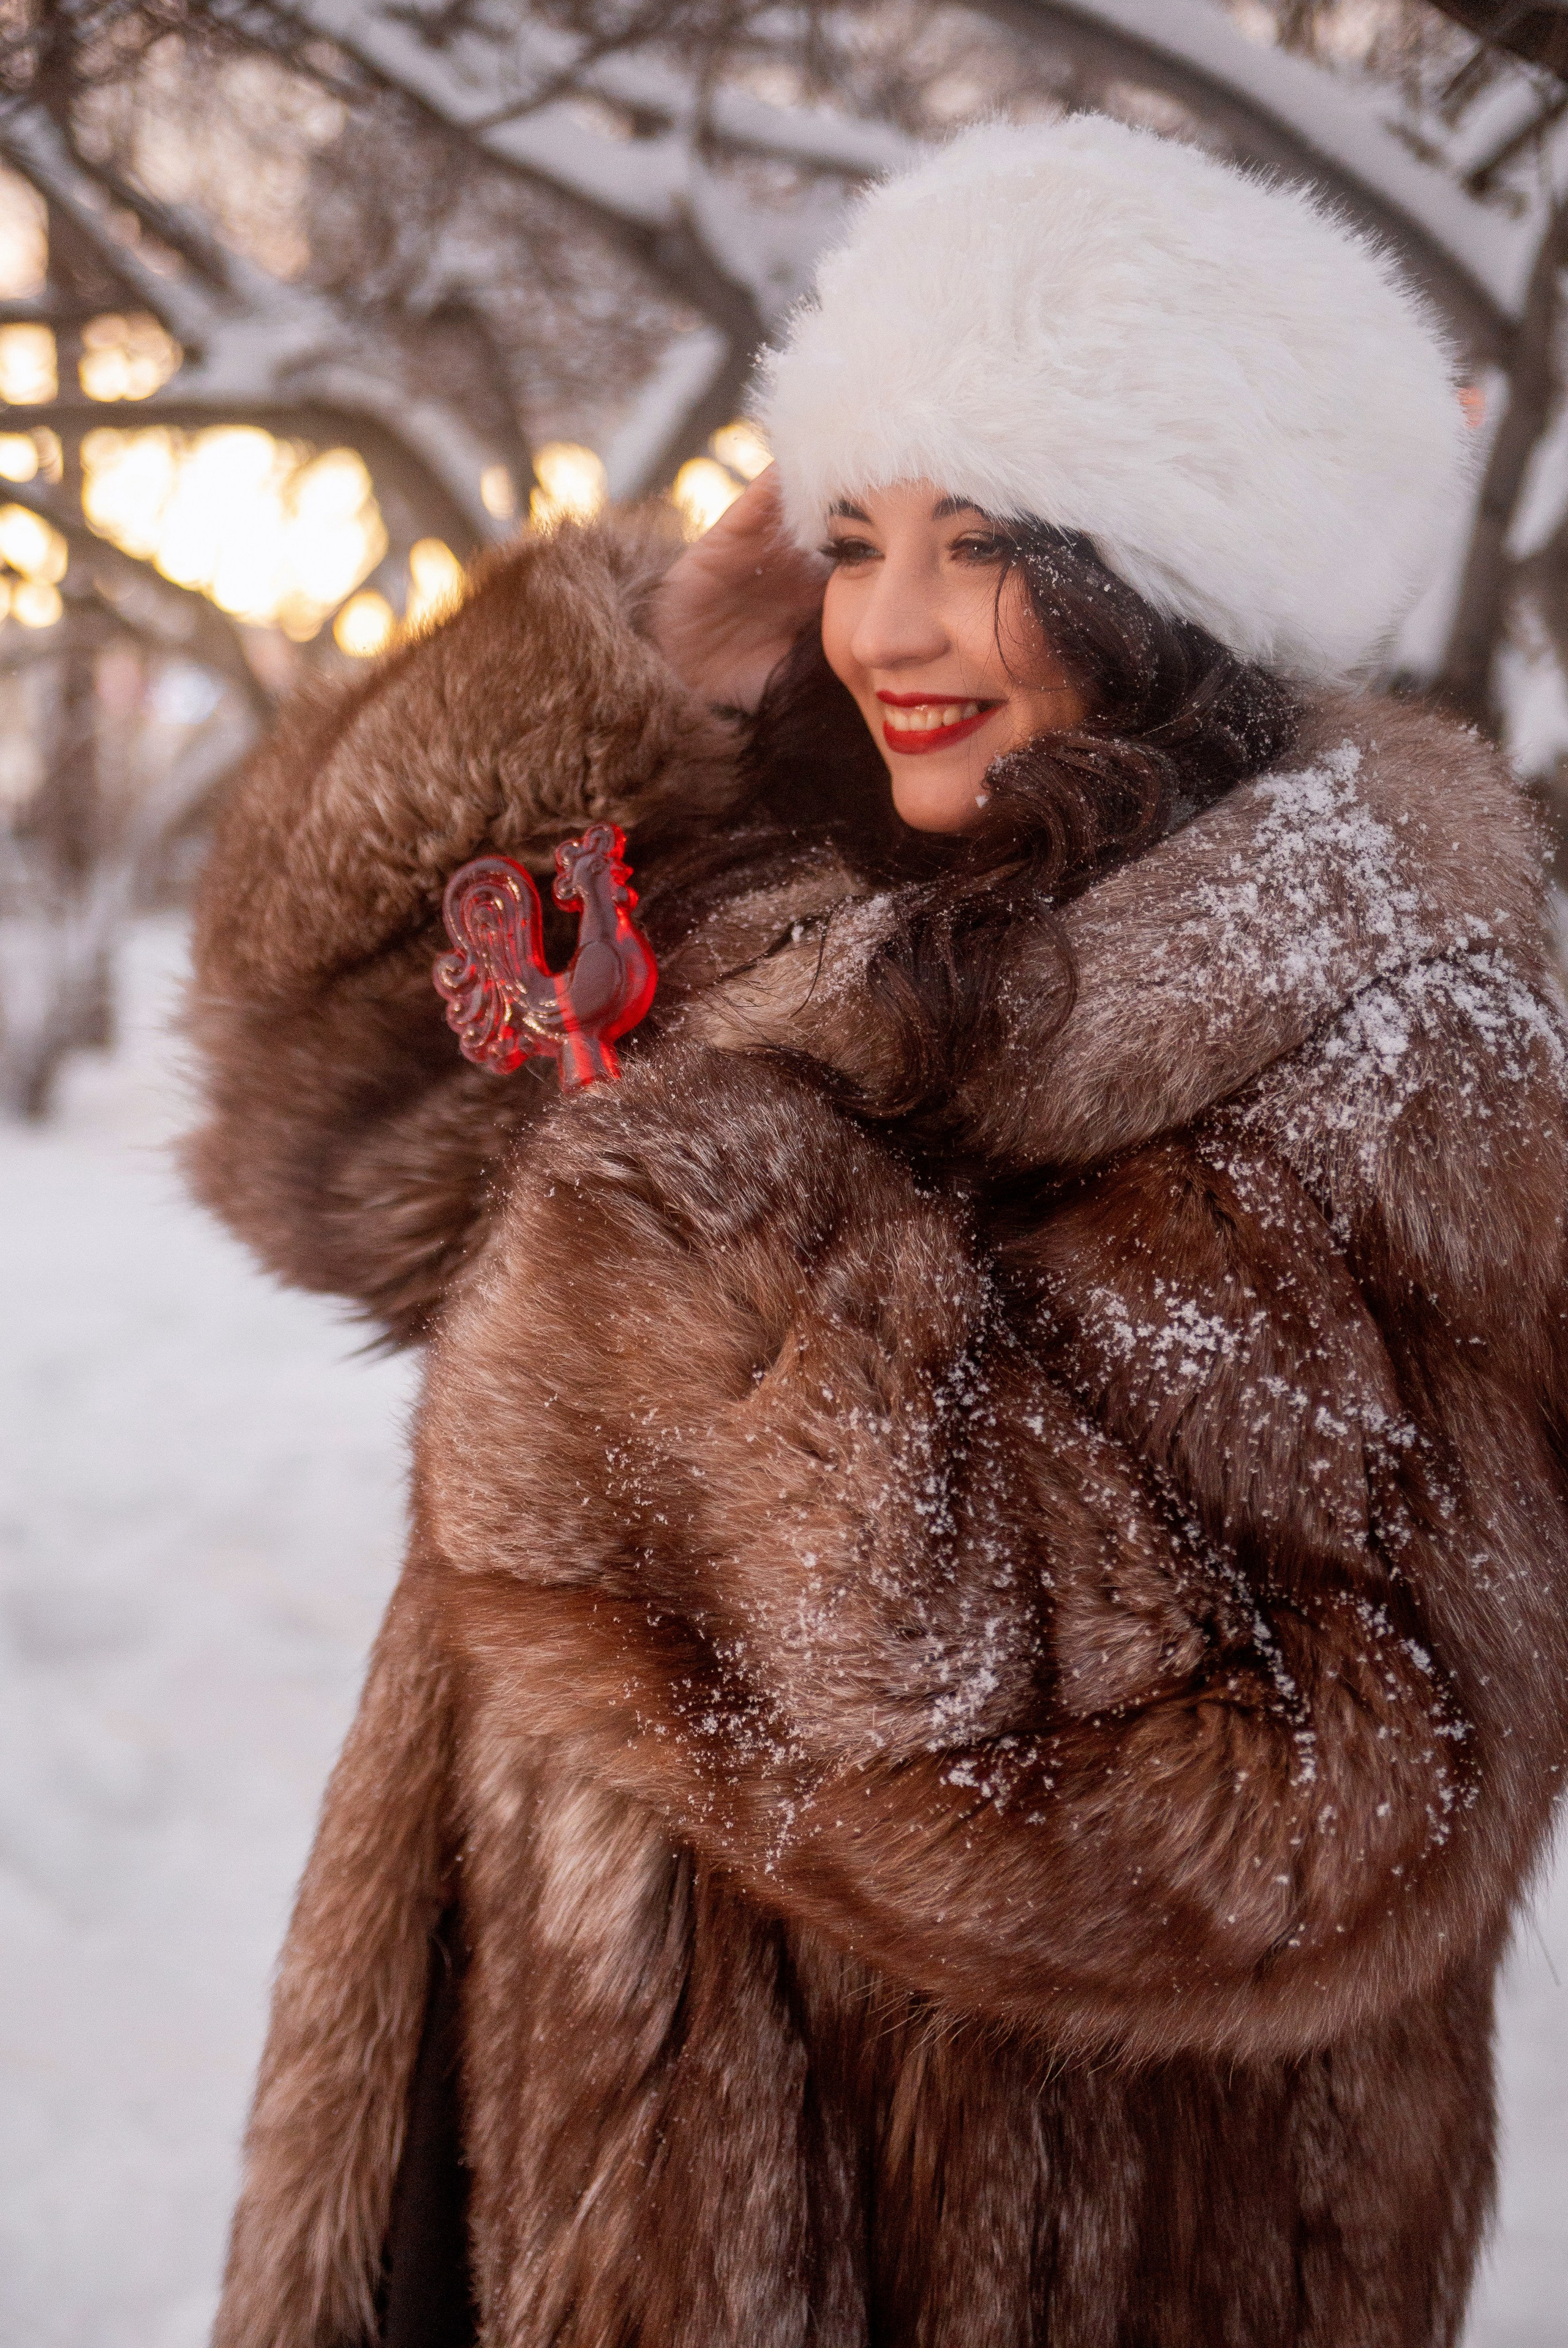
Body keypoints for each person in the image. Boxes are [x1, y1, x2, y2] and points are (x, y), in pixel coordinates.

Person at [190, 118, 1568, 2348]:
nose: (889, 625)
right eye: (853, 536)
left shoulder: (1381, 1026)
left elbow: (1316, 1803)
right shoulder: (810, 898)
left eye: (983, 541)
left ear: (1176, 561)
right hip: (508, 2141)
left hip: (1019, 2256)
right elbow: (323, 1127)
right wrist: (636, 678)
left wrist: (717, 1282)